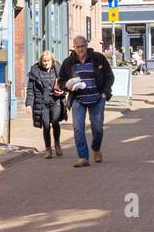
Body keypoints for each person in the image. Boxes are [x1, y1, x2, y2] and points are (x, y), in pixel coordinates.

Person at [57, 36, 115, 168]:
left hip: (97, 98)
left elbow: (109, 76)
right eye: (77, 47)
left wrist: (105, 92)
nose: (80, 49)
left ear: (87, 45)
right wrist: (67, 85)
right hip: (78, 99)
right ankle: (83, 157)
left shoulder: (98, 58)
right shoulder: (69, 62)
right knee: (78, 128)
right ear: (74, 47)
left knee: (98, 129)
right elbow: (61, 81)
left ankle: (96, 148)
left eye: (83, 46)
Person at [25, 50, 67, 158]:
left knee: (55, 122)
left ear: (52, 61)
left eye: (48, 61)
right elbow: (30, 89)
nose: (46, 63)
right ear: (41, 61)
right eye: (44, 61)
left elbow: (66, 85)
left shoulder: (58, 70)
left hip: (56, 101)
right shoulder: (35, 71)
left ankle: (57, 144)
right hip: (42, 103)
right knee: (46, 126)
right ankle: (48, 149)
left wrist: (63, 91)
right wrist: (29, 104)